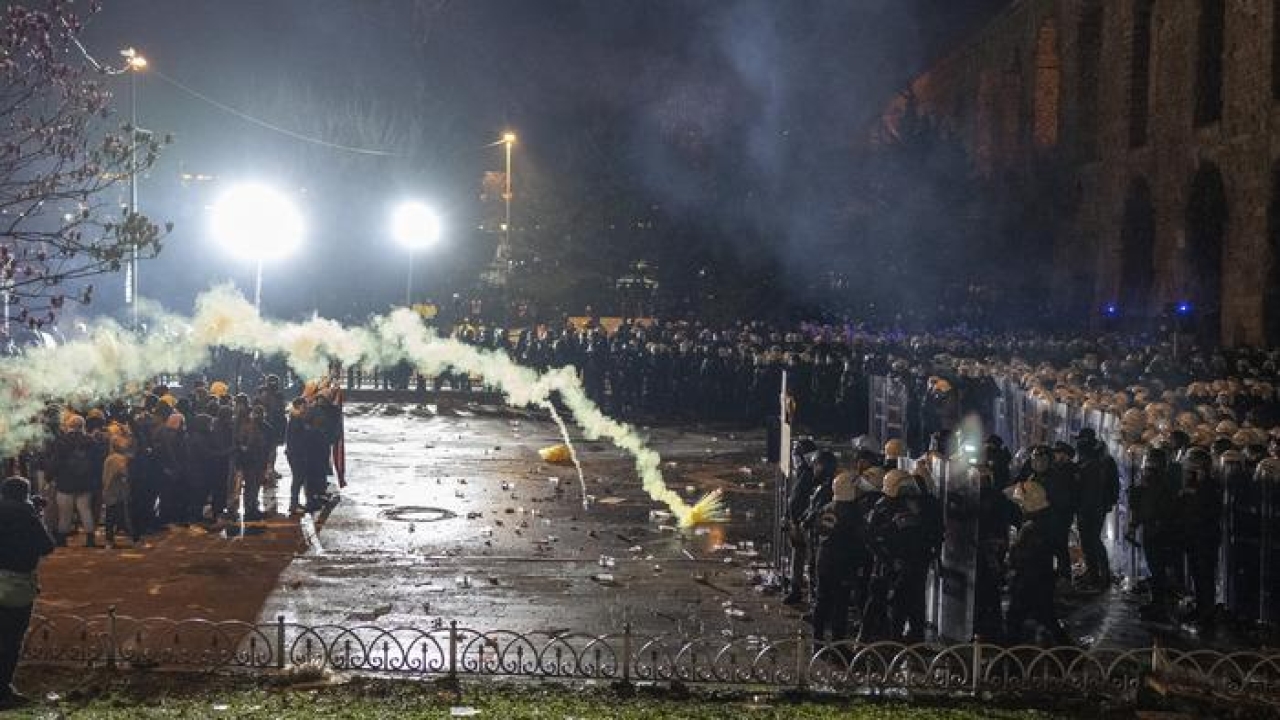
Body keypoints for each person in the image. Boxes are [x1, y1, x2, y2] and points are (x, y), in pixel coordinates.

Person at [0, 477, 56, 709]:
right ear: (25, 495)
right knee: (10, 641)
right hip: (16, 587)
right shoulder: (27, 516)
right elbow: (47, 546)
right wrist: (36, 516)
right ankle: (3, 690)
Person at [1004, 479, 1073, 645]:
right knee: (1046, 620)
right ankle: (1071, 657)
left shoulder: (1032, 528)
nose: (1020, 506)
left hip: (1029, 583)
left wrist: (1013, 551)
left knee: (1016, 621)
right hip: (1040, 581)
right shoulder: (1045, 523)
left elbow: (1022, 557)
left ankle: (1006, 662)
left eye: (1022, 503)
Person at [810, 471, 871, 643]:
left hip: (823, 561)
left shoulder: (827, 508)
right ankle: (838, 645)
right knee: (840, 605)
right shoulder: (852, 512)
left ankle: (818, 640)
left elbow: (816, 532)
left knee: (822, 601)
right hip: (842, 564)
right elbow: (860, 540)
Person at [1073, 428, 1119, 590]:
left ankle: (1103, 575)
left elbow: (1113, 485)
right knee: (1086, 541)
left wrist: (1108, 502)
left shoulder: (1103, 460)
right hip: (1084, 506)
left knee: (1093, 540)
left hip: (1095, 506)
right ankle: (1093, 573)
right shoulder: (1085, 458)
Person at [49, 414, 101, 547]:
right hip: (85, 482)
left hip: (65, 482)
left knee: (65, 513)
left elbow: (56, 462)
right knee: (85, 510)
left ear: (69, 426)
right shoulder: (91, 441)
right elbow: (97, 463)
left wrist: (49, 477)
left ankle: (62, 540)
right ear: (82, 426)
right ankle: (90, 539)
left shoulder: (61, 440)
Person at [782, 439, 818, 605]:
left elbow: (805, 501)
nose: (795, 459)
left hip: (806, 525)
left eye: (797, 455)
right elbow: (793, 499)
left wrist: (798, 522)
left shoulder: (811, 474)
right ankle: (796, 590)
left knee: (811, 561)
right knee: (798, 557)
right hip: (797, 523)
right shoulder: (803, 473)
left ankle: (811, 597)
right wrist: (787, 517)